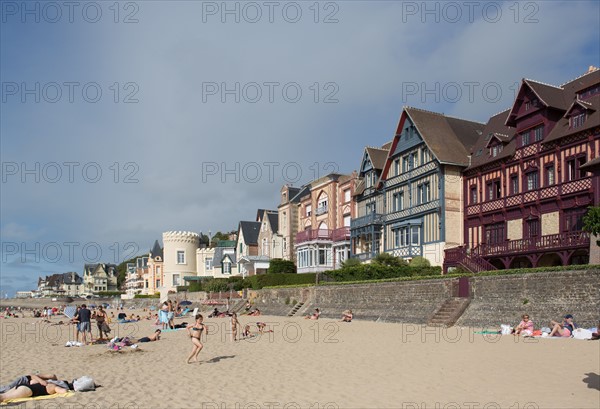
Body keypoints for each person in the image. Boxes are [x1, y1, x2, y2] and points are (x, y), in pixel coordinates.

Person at [0, 374, 90, 402]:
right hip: (27, 388)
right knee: (3, 397)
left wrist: (41, 381)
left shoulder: (50, 383)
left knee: (3, 396)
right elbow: (64, 391)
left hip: (25, 386)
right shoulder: (53, 386)